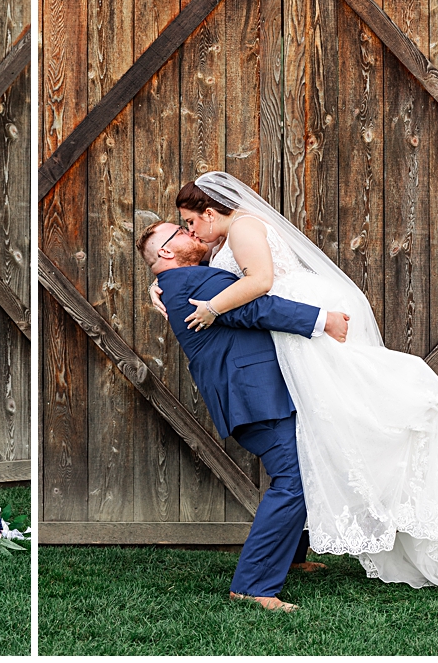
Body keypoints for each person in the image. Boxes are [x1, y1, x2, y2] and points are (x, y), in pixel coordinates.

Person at [159, 172, 438, 594]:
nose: (192, 232)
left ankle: (268, 574)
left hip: (302, 323)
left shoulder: (242, 226)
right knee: (313, 441)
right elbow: (225, 279)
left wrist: (211, 307)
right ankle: (287, 559)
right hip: (289, 332)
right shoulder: (226, 239)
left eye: (191, 223)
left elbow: (259, 285)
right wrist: (165, 282)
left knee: (343, 423)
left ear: (210, 212)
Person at [141, 220, 350, 612]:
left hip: (258, 394)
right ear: (167, 252)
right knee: (293, 479)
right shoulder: (186, 283)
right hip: (253, 397)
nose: (193, 234)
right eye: (182, 232)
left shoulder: (181, 281)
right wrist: (323, 320)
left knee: (299, 467)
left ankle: (291, 557)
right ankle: (253, 585)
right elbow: (255, 307)